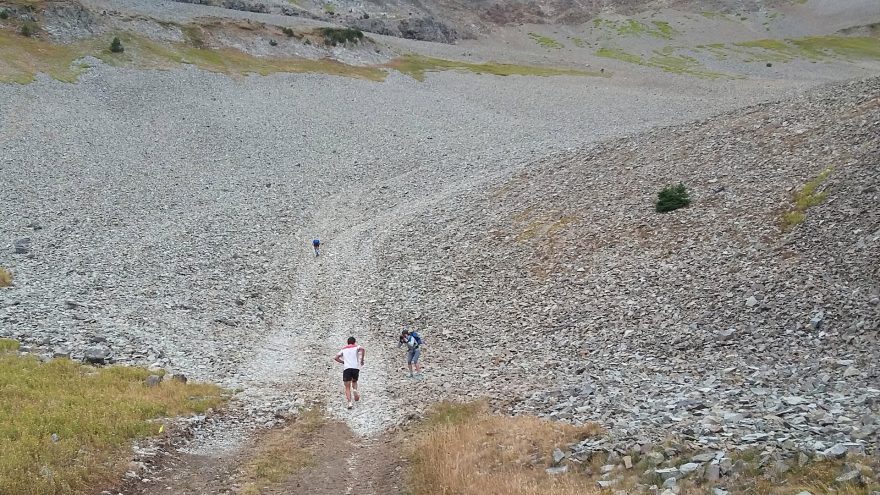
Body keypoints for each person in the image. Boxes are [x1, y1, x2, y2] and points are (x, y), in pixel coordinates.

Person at [334, 336, 365, 409]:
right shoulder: (356, 347)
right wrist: (362, 359)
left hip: (347, 368)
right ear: (354, 342)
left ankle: (350, 403)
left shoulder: (344, 349)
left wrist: (343, 362)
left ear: (347, 342)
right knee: (354, 382)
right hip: (355, 368)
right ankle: (354, 390)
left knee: (347, 387)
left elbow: (336, 358)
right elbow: (363, 349)